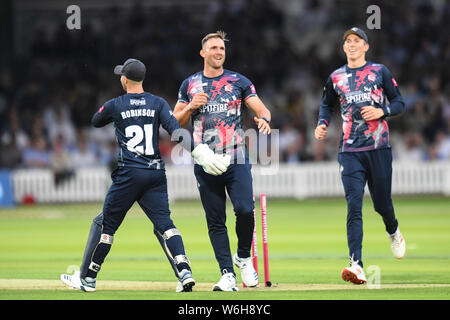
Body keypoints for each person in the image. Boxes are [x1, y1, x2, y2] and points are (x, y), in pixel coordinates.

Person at [60, 58, 230, 293]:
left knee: (105, 225)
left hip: (129, 174)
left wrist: (117, 114)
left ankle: (87, 279)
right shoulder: (158, 103)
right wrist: (200, 153)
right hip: (155, 174)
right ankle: (184, 272)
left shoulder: (116, 104)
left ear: (124, 79)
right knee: (165, 225)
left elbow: (96, 121)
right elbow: (177, 131)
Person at [173, 31, 272, 291]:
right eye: (214, 48)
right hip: (204, 160)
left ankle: (243, 257)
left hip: (236, 155)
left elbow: (261, 109)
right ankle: (227, 273)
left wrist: (264, 119)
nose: (219, 52)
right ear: (203, 53)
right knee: (215, 220)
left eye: (222, 48)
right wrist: (191, 106)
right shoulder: (190, 84)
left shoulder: (238, 81)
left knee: (244, 210)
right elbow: (174, 125)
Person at [314, 27, 406, 284]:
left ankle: (393, 229)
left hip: (378, 148)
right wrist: (321, 123)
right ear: (343, 48)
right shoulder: (336, 77)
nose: (352, 45)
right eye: (348, 42)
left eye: (357, 41)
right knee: (354, 205)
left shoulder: (379, 71)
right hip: (349, 151)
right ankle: (356, 265)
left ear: (366, 46)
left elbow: (400, 102)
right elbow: (326, 104)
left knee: (382, 204)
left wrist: (382, 111)